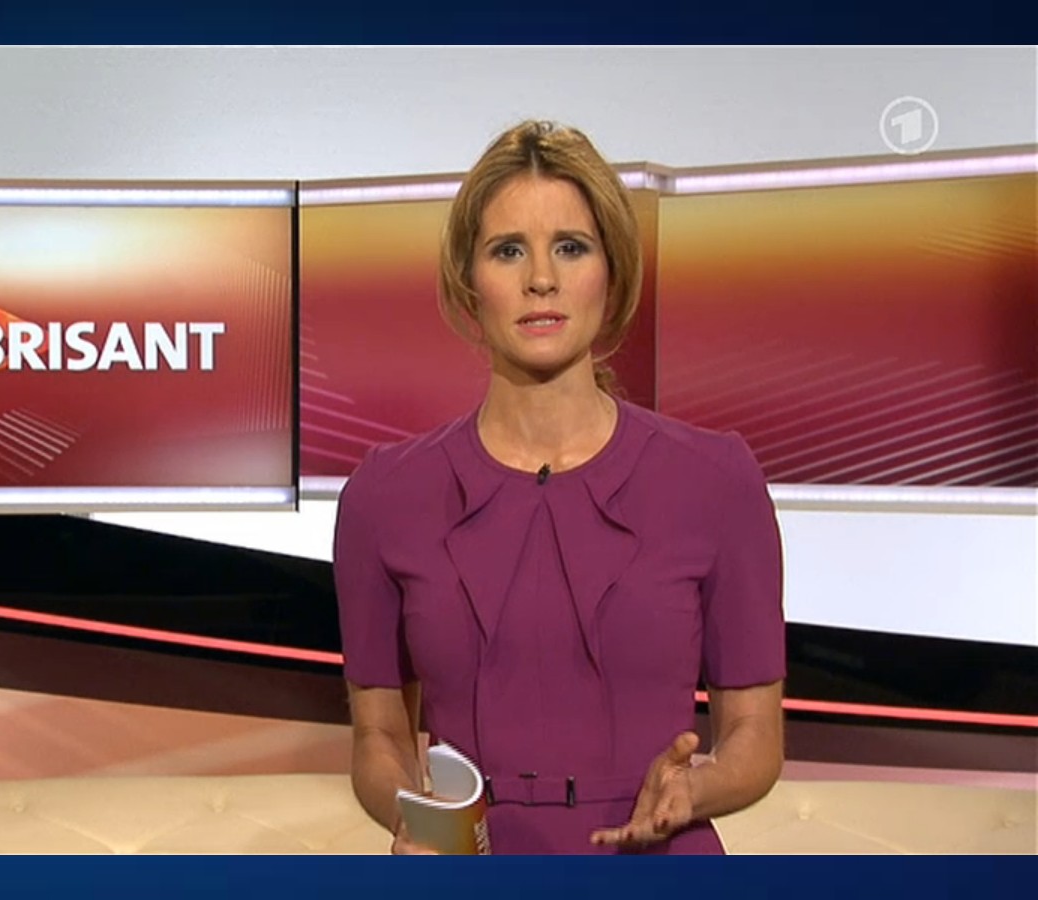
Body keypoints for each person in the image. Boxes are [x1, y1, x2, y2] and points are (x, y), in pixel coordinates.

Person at [333, 120, 786, 855]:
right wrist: (420, 819)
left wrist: (695, 789)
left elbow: (755, 738)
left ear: (612, 272)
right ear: (468, 282)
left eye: (571, 247)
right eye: (508, 250)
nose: (540, 278)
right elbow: (379, 737)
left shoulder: (717, 481)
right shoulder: (384, 496)